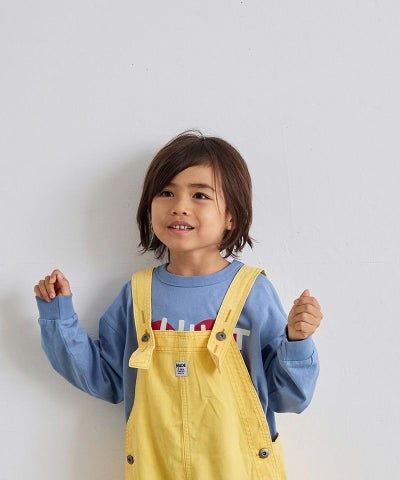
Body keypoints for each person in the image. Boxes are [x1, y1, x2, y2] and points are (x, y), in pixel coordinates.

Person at [34, 130, 323, 480]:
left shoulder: (252, 292)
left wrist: (297, 341)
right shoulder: (138, 294)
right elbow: (107, 378)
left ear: (231, 216)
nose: (179, 206)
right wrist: (58, 317)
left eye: (200, 194)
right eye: (166, 192)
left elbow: (288, 398)